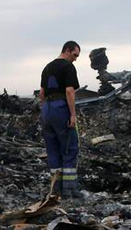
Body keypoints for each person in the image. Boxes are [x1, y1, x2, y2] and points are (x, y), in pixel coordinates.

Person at [39, 41, 82, 198]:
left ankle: (55, 190)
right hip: (60, 108)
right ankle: (69, 190)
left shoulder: (47, 67)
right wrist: (72, 115)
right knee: (70, 148)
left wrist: (45, 112)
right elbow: (70, 91)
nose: (75, 59)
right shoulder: (67, 67)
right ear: (67, 50)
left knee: (53, 149)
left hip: (47, 110)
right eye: (75, 55)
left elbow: (41, 94)